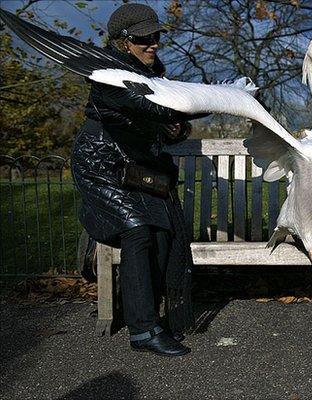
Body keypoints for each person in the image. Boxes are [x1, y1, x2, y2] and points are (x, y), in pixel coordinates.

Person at [72, 3, 196, 357]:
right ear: (124, 41)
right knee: (138, 229)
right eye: (145, 37)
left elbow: (171, 121)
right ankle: (143, 332)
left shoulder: (155, 73)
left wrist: (176, 127)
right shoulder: (106, 74)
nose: (154, 43)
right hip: (102, 165)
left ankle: (142, 314)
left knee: (159, 232)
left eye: (156, 36)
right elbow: (148, 112)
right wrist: (177, 114)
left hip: (138, 167)